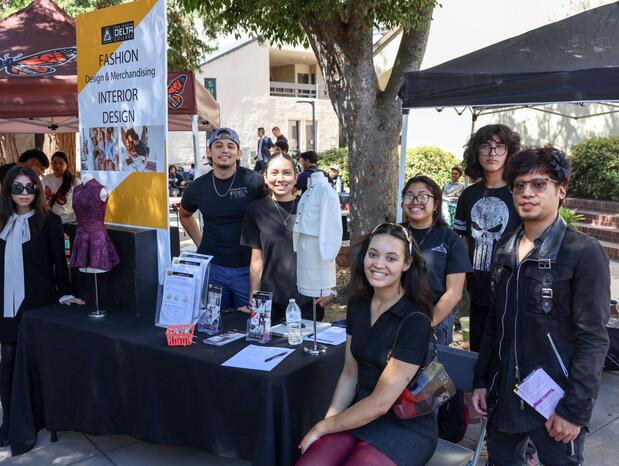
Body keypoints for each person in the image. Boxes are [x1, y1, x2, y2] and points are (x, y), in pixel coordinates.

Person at [472, 147, 610, 466]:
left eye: (538, 184)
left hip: (555, 402)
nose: (526, 193)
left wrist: (574, 410)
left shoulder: (583, 252)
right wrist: (482, 380)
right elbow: (496, 322)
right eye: (519, 185)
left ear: (561, 190)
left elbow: (593, 339)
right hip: (504, 393)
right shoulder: (504, 248)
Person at [297, 223, 437, 466]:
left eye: (391, 258)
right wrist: (328, 425)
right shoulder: (358, 305)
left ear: (406, 264)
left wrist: (323, 426)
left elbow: (381, 403)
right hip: (358, 412)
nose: (379, 264)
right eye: (373, 254)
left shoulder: (415, 319)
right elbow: (350, 375)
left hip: (404, 425)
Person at [0, 166, 84, 445]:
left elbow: (60, 264)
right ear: (8, 190)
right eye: (17, 188)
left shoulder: (50, 222)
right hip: (6, 305)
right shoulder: (0, 220)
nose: (24, 194)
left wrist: (65, 293)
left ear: (37, 190)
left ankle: (41, 416)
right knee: (8, 360)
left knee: (34, 362)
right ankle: (10, 422)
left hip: (37, 304)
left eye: (29, 187)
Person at [401, 175, 472, 443]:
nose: (415, 201)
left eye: (422, 196)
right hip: (395, 319)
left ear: (435, 203)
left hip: (434, 323)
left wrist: (426, 323)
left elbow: (454, 292)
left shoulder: (449, 239)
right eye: (409, 195)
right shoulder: (393, 233)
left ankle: (430, 438)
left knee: (428, 387)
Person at [180, 127, 267, 310]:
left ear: (239, 153)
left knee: (249, 323)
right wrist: (200, 243)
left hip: (247, 270)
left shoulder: (255, 181)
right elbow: (185, 215)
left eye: (231, 146)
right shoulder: (197, 188)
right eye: (218, 146)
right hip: (213, 270)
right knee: (214, 325)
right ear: (209, 152)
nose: (225, 150)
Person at [453, 124, 522, 352]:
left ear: (509, 152)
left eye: (500, 147)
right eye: (486, 146)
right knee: (479, 352)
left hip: (513, 289)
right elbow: (461, 243)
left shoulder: (520, 194)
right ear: (476, 151)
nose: (492, 153)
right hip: (478, 288)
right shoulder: (468, 195)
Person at [241, 153, 333, 322]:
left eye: (286, 172)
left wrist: (331, 289)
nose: (280, 178)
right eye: (274, 173)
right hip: (271, 300)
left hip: (308, 298)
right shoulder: (255, 210)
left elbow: (327, 247)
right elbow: (256, 259)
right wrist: (253, 299)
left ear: (296, 176)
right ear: (265, 176)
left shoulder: (311, 206)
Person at [42, 151, 81, 225]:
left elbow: (80, 203)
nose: (57, 166)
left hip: (68, 221)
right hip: (51, 221)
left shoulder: (75, 181)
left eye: (60, 163)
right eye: (54, 163)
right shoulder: (46, 179)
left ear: (67, 165)